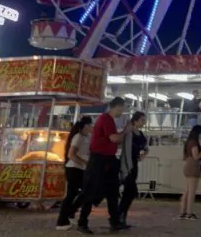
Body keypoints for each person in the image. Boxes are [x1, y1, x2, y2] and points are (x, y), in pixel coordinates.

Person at [76, 97, 128, 234]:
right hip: (99, 159)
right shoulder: (106, 119)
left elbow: (113, 140)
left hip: (106, 159)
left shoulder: (108, 120)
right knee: (91, 191)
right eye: (122, 108)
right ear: (116, 106)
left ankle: (115, 221)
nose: (123, 111)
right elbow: (114, 138)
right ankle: (82, 222)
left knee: (112, 191)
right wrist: (125, 131)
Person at [55, 116, 92, 230]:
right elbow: (71, 155)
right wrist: (84, 163)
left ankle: (68, 215)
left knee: (78, 193)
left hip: (79, 169)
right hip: (74, 169)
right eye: (90, 125)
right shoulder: (78, 137)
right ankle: (62, 220)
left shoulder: (86, 137)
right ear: (84, 126)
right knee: (75, 194)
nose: (91, 127)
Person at [118, 111, 147, 226]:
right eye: (142, 120)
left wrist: (143, 155)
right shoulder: (129, 133)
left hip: (133, 164)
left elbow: (145, 147)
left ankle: (120, 216)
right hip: (127, 165)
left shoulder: (140, 134)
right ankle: (119, 215)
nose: (144, 123)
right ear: (135, 120)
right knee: (131, 191)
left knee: (128, 192)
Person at [179, 124, 201, 220]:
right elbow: (196, 156)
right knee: (191, 192)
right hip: (193, 166)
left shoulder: (188, 142)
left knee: (186, 191)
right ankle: (189, 212)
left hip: (188, 165)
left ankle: (183, 211)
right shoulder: (194, 143)